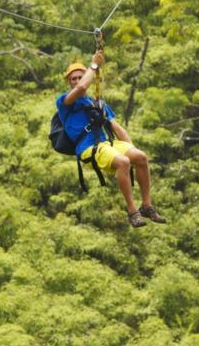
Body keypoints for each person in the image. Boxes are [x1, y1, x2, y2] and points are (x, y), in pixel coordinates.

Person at [56, 52, 166, 228]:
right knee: (123, 162)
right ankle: (132, 212)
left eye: (79, 77)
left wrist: (132, 151)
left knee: (141, 157)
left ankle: (146, 205)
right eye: (73, 79)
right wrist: (94, 66)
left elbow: (116, 128)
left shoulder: (98, 103)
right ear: (69, 82)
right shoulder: (64, 102)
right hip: (88, 147)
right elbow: (81, 89)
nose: (76, 81)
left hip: (107, 143)